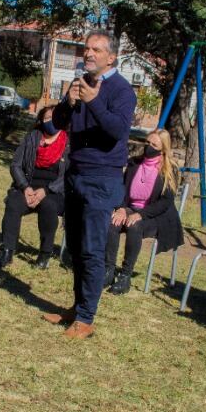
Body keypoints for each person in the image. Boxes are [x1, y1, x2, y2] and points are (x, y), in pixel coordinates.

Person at [41, 30, 136, 339]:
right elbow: (55, 124)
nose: (88, 54)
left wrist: (94, 102)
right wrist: (68, 103)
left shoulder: (122, 91)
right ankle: (77, 308)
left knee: (94, 250)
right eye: (86, 49)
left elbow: (116, 131)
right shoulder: (79, 84)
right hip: (75, 175)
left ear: (111, 57)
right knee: (78, 248)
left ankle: (86, 319)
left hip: (102, 179)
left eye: (96, 49)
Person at [104, 127, 184, 295]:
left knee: (135, 226)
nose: (149, 146)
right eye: (147, 142)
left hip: (156, 216)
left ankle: (125, 276)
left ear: (163, 149)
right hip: (130, 208)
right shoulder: (134, 163)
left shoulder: (170, 170)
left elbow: (165, 202)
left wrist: (140, 214)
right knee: (112, 222)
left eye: (154, 144)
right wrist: (121, 209)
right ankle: (108, 271)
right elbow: (123, 190)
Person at [0, 105, 68, 269]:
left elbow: (69, 175)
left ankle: (45, 253)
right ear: (41, 120)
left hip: (53, 191)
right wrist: (25, 187)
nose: (51, 121)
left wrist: (46, 190)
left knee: (48, 206)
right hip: (27, 186)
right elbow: (15, 165)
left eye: (55, 117)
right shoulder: (32, 137)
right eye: (47, 118)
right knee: (13, 202)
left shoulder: (68, 143)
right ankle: (7, 250)